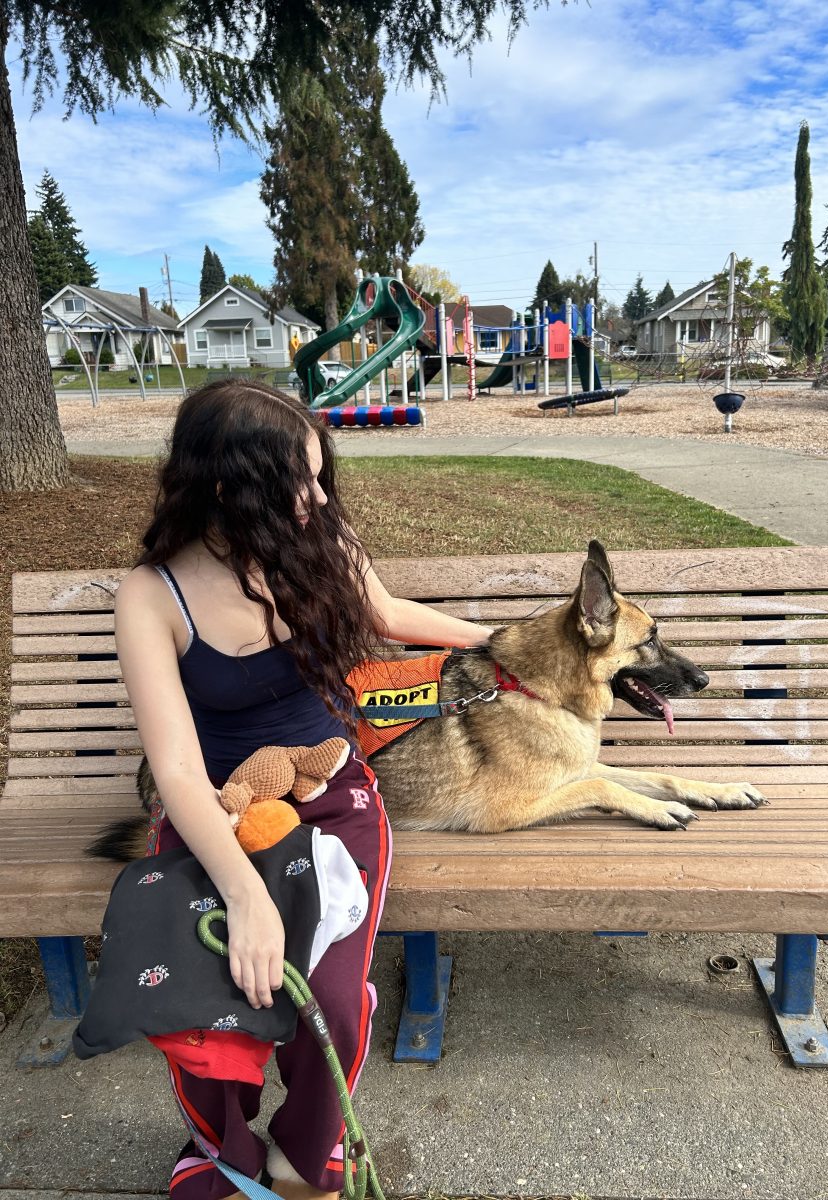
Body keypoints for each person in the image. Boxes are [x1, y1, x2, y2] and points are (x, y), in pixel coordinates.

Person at [115, 379, 492, 1200]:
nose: (319, 498)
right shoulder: (154, 594)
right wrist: (245, 897)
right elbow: (178, 772)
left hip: (330, 795)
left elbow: (383, 609)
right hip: (219, 809)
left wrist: (501, 644)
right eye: (301, 481)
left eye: (322, 476)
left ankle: (305, 1150)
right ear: (226, 488)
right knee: (207, 992)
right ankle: (220, 1151)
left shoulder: (316, 537)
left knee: (330, 996)